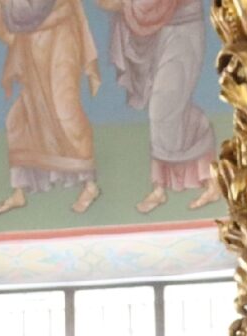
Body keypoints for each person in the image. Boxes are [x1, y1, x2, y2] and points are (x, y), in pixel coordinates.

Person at [101, 0, 220, 215]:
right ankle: (161, 187)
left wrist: (126, 5)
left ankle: (210, 180)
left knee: (163, 109)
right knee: (171, 109)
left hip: (184, 32)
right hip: (161, 33)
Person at [0, 0, 100, 215]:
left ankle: (89, 185)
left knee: (64, 110)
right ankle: (19, 190)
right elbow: (13, 16)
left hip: (61, 38)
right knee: (24, 115)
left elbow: (33, 11)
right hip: (31, 43)